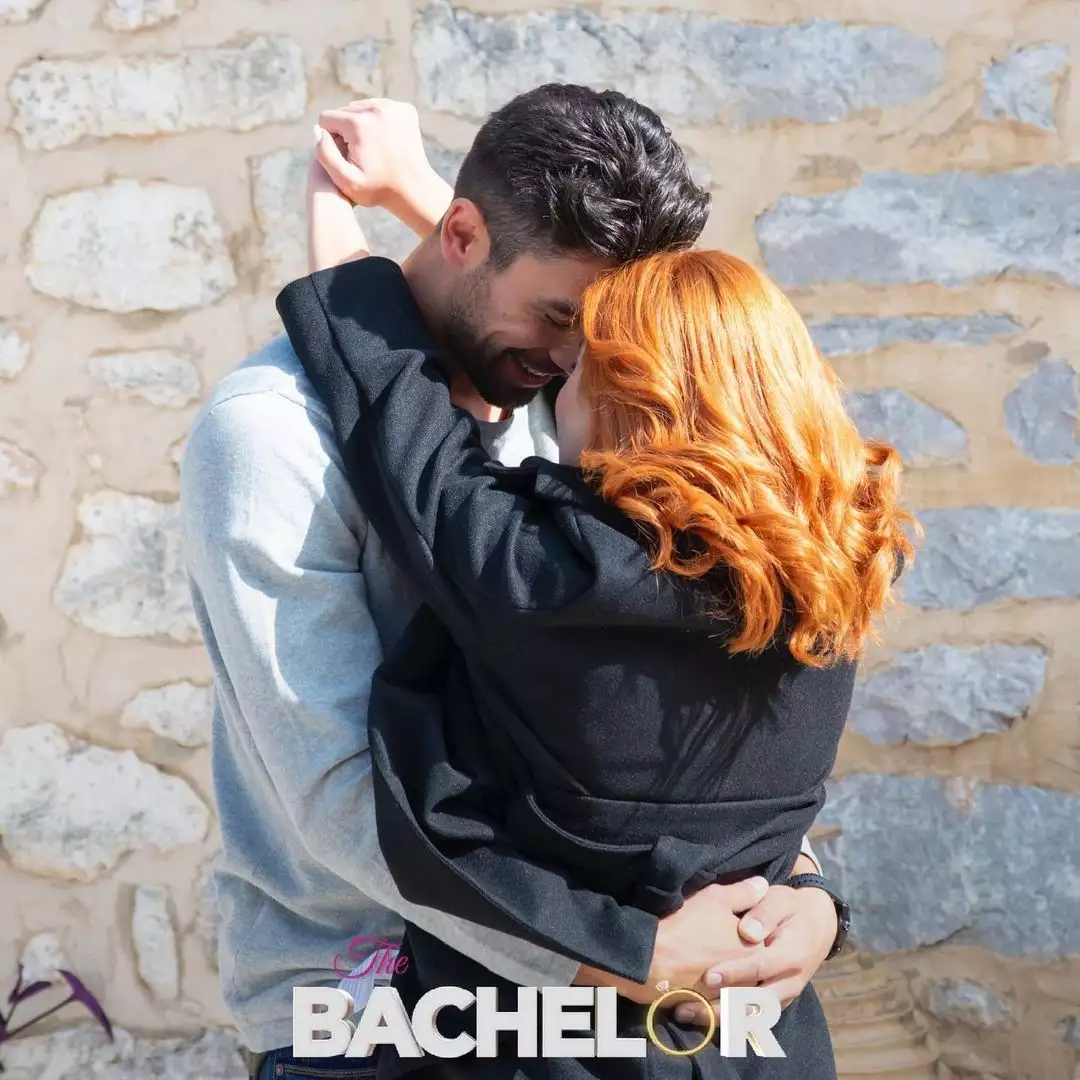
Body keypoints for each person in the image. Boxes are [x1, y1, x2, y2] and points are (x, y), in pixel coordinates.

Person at [181, 86, 841, 1080]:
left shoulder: (581, 411)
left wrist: (804, 890)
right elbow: (338, 795)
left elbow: (693, 708)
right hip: (375, 1013)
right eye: (561, 318)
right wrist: (623, 955)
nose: (577, 357)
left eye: (602, 334)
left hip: (621, 1021)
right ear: (461, 236)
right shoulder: (271, 440)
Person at [279, 207, 912, 1077]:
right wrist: (814, 898)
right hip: (757, 1044)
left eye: (576, 371)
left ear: (627, 405)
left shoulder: (539, 575)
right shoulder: (833, 587)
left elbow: (394, 399)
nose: (553, 391)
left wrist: (335, 203)